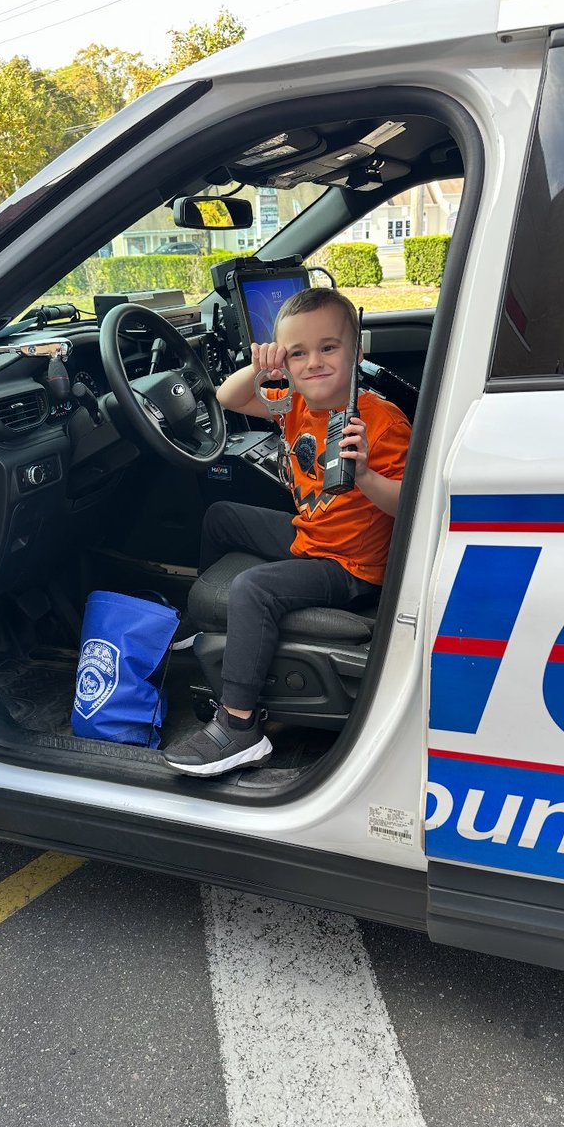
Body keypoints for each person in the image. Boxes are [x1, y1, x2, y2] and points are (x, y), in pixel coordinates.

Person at [163, 286, 412, 776]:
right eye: (297, 353)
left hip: (351, 567)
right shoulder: (295, 403)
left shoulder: (380, 423)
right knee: (222, 515)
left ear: (356, 353)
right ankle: (200, 630)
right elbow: (226, 397)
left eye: (328, 348)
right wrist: (261, 368)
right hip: (311, 536)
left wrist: (365, 475)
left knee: (252, 587)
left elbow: (409, 505)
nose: (313, 363)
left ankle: (238, 728)